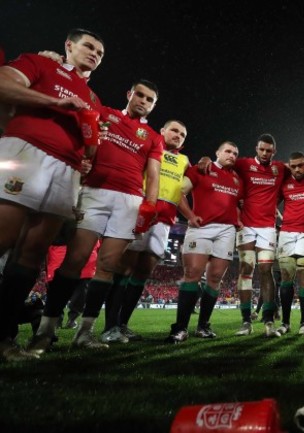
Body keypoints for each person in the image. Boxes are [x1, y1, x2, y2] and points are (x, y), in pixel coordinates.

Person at [28, 78, 162, 353]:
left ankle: (85, 332)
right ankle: (46, 330)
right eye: (140, 95)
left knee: (108, 265)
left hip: (129, 200)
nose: (143, 102)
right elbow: (85, 137)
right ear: (129, 94)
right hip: (94, 192)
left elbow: (153, 174)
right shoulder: (106, 114)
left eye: (150, 100)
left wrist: (149, 206)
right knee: (75, 259)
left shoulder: (153, 138)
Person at [0, 28, 105, 361]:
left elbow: (90, 143)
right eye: (89, 47)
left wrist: (90, 151)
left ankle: (4, 339)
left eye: (100, 54)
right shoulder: (40, 64)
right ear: (68, 45)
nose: (94, 54)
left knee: (31, 253)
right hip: (25, 153)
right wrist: (54, 101)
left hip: (67, 170)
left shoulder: (94, 99)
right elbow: (3, 84)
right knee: (3, 237)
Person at [101, 119, 190, 343]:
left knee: (144, 270)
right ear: (162, 131)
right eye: (174, 130)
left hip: (166, 220)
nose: (178, 135)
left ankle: (123, 324)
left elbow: (187, 186)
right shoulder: (150, 147)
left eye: (182, 134)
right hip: (141, 211)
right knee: (125, 267)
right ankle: (109, 326)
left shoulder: (184, 161)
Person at [165, 141, 243, 343]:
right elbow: (179, 192)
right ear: (217, 152)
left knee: (215, 277)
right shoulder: (201, 169)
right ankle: (180, 328)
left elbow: (235, 204)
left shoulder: (237, 179)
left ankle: (203, 326)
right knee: (192, 274)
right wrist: (190, 216)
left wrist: (239, 219)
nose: (231, 155)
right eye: (227, 151)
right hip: (201, 227)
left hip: (226, 230)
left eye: (235, 153)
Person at [226, 134, 287, 338]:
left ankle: (268, 320)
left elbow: (301, 171)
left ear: (274, 151)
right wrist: (208, 161)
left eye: (268, 150)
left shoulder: (280, 168)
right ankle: (246, 321)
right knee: (246, 268)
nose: (264, 153)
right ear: (256, 148)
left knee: (266, 270)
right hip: (247, 226)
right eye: (261, 149)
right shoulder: (243, 164)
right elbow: (223, 166)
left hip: (268, 227)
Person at [276, 152, 304, 336]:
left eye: (301, 165)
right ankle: (285, 322)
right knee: (286, 277)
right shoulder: (284, 183)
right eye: (293, 166)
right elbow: (270, 202)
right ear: (289, 166)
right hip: (286, 233)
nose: (297, 169)